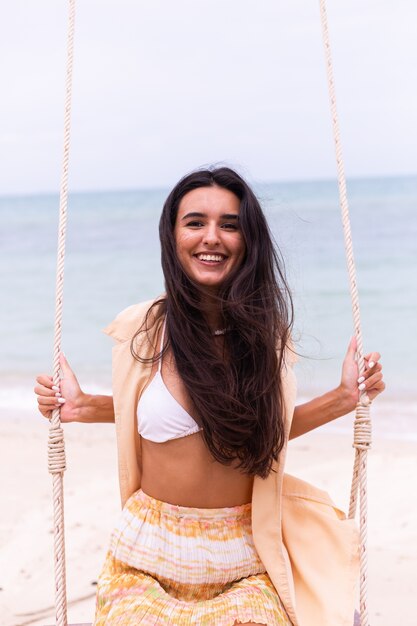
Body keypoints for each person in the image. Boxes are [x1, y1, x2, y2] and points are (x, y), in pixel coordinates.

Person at [35, 167, 384, 626]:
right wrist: (84, 408)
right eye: (195, 222)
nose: (212, 237)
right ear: (173, 235)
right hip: (147, 558)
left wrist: (343, 397)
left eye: (230, 224)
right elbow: (153, 408)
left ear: (248, 240)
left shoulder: (265, 338)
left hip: (243, 561)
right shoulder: (145, 329)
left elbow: (263, 430)